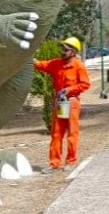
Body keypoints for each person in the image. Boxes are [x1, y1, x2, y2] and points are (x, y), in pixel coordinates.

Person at [34, 37, 91, 174]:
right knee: (57, 133)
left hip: (72, 102)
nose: (63, 51)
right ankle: (54, 164)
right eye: (62, 49)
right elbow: (40, 65)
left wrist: (70, 89)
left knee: (72, 133)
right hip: (60, 103)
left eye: (66, 49)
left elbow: (85, 84)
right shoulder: (56, 64)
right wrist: (28, 58)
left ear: (73, 51)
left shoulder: (78, 66)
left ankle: (71, 162)